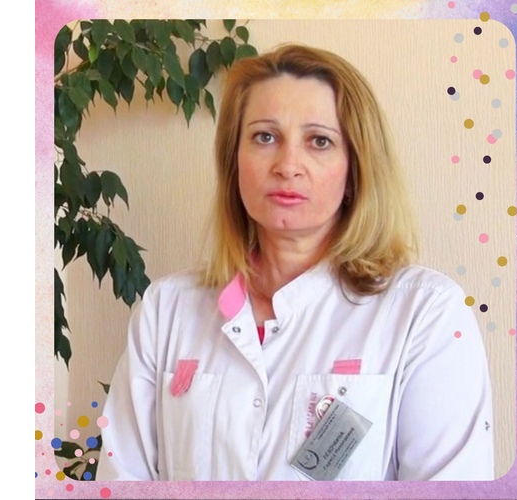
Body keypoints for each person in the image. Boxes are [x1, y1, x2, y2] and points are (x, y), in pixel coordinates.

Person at [96, 44, 494, 481]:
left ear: (355, 169)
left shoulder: (426, 314)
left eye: (319, 141)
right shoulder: (165, 308)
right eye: (265, 137)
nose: (288, 166)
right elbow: (120, 479)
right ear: (234, 161)